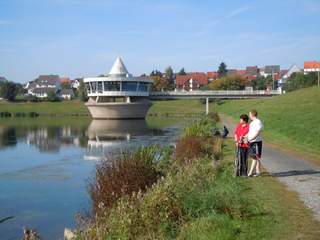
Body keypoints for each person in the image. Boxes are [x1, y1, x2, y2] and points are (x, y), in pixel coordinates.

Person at [247, 109, 264, 177]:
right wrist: (245, 136)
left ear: (252, 114)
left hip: (256, 142)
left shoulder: (258, 122)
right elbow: (250, 132)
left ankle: (250, 173)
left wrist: (252, 138)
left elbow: (258, 132)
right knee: (255, 157)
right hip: (252, 142)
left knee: (255, 157)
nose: (249, 115)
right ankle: (258, 172)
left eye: (249, 114)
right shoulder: (252, 123)